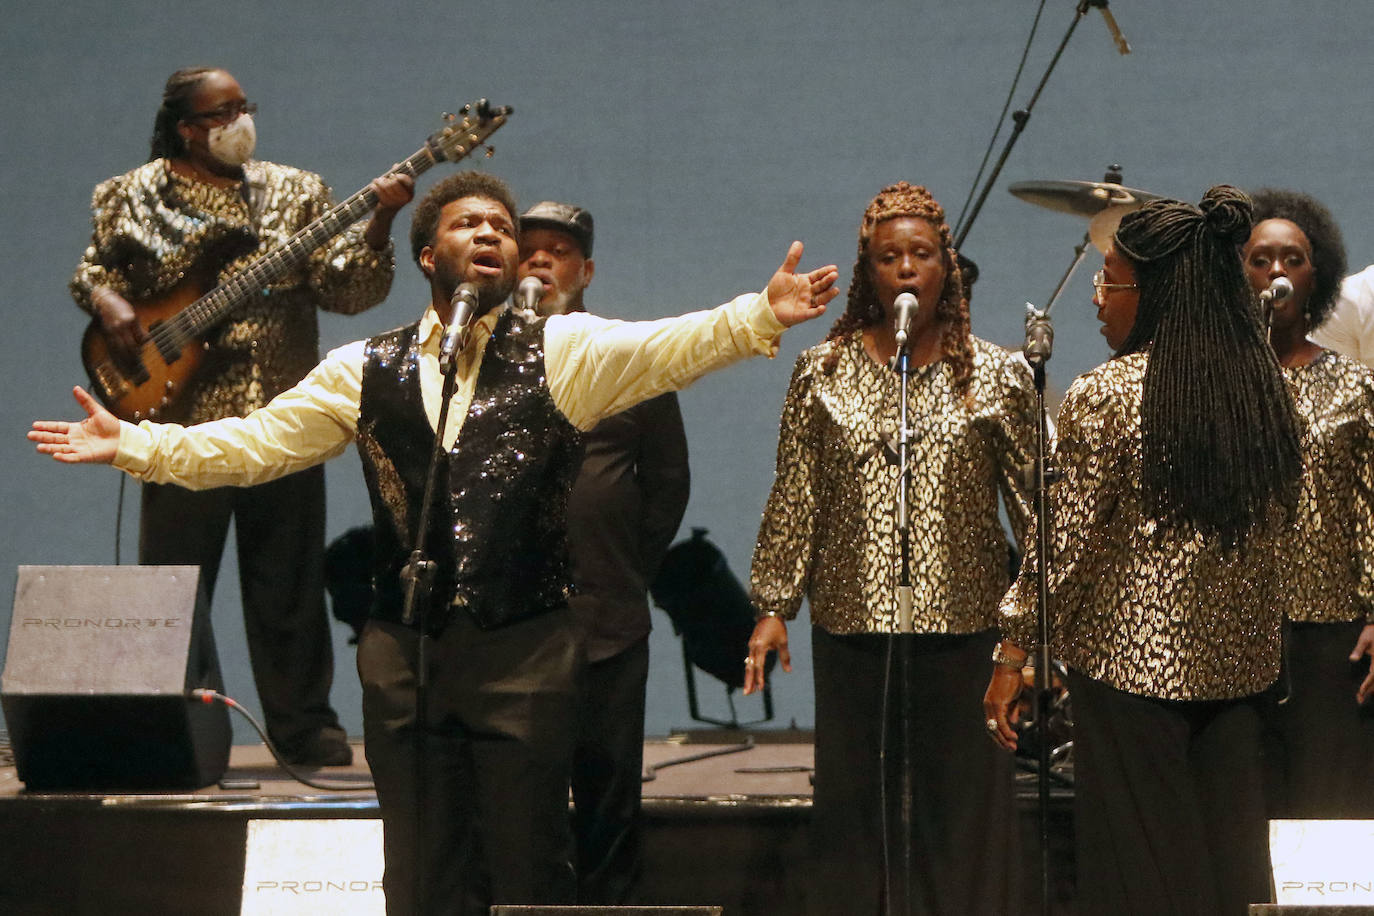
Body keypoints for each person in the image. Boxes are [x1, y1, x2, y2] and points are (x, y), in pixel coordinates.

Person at [33, 169, 838, 916]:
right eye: (467, 223)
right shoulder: (362, 367)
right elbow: (255, 444)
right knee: (421, 874)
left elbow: (674, 345)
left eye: (501, 227)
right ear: (427, 255)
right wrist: (133, 444)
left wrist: (759, 315)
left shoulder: (565, 351)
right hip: (405, 659)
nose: (490, 233)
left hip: (525, 653)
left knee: (530, 869)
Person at [69, 66, 415, 766]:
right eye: (221, 113)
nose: (240, 122)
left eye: (243, 107)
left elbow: (348, 293)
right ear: (185, 128)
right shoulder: (130, 194)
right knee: (173, 587)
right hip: (177, 421)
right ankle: (166, 726)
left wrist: (380, 221)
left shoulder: (296, 191)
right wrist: (107, 302)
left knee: (287, 583)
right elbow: (94, 271)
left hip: (284, 418)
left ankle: (303, 727)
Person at [984, 186, 1303, 916]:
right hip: (1242, 675)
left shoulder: (1107, 395)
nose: (1097, 299)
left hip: (1129, 680)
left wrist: (1012, 651)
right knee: (1229, 868)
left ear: (1153, 291)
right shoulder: (1264, 391)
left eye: (1110, 282)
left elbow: (1063, 548)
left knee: (1141, 876)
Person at [744, 181, 1033, 914]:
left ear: (947, 267)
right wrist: (774, 605)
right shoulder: (822, 370)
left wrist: (1023, 638)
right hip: (853, 623)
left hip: (964, 626)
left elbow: (1041, 517)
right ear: (867, 272)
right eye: (888, 257)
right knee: (854, 813)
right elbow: (796, 492)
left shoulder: (998, 375)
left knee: (961, 816)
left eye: (921, 254)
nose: (905, 268)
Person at [517, 200, 691, 904]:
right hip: (510, 627)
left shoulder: (629, 356)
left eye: (557, 251)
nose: (539, 260)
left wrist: (623, 566)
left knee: (608, 796)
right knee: (520, 799)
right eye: (528, 248)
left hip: (609, 619)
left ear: (585, 272)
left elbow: (668, 484)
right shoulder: (479, 357)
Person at [1242, 188, 1374, 817]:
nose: (1277, 271)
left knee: (1332, 807)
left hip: (1333, 632)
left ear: (1315, 275)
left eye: (1292, 259)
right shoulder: (1210, 386)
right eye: (1260, 259)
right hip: (1231, 628)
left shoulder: (1355, 385)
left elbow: (1371, 507)